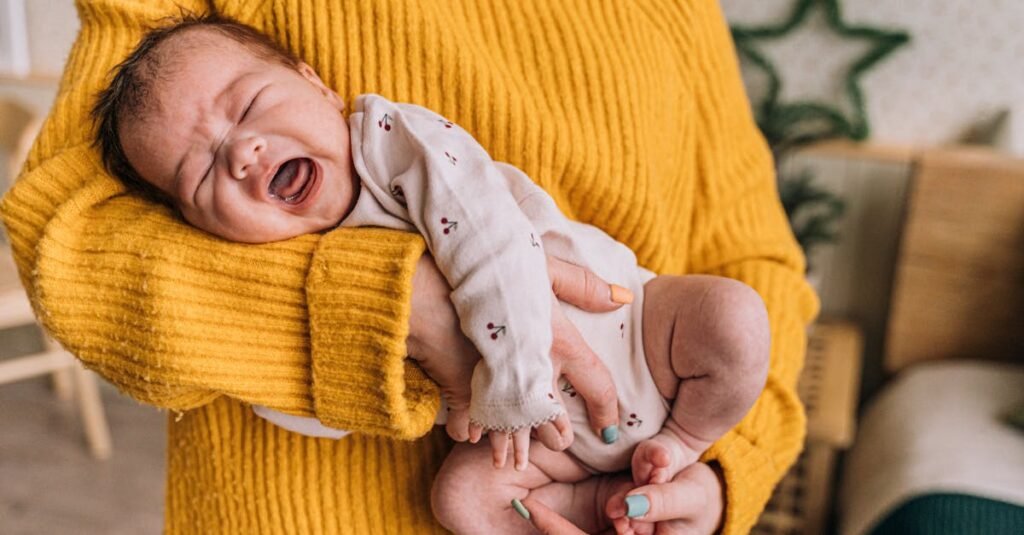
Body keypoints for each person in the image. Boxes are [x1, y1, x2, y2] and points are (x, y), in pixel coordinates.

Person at [0, 1, 818, 533]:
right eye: (206, 172)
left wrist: (712, 477)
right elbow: (70, 242)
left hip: (637, 427)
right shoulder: (185, 77)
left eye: (250, 111)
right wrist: (408, 306)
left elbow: (760, 263)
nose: (242, 151)